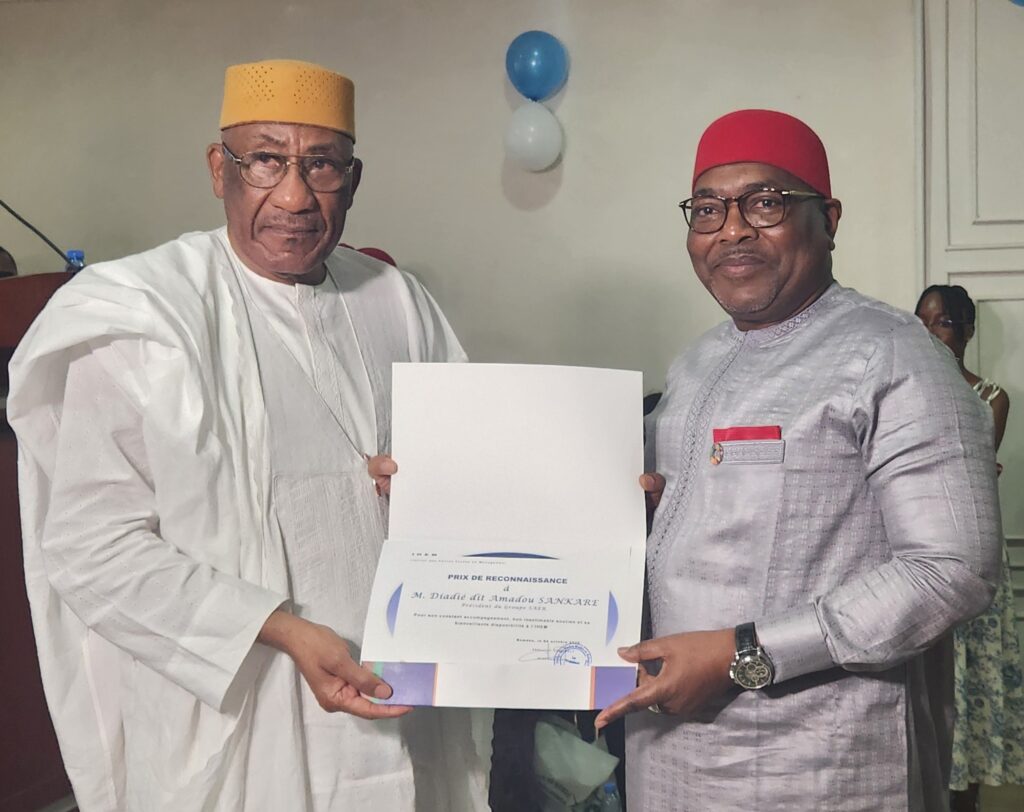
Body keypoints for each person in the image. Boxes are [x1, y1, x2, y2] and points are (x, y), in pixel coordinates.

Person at [7, 59, 489, 811]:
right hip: (242, 718)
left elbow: (475, 472)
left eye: (321, 164)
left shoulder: (399, 302)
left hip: (405, 704)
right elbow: (90, 545)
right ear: (218, 168)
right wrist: (277, 628)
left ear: (353, 179)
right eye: (265, 159)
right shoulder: (145, 313)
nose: (294, 197)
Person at [593, 109, 1003, 811]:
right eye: (707, 209)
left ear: (829, 219)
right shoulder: (695, 363)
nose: (732, 230)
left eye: (766, 203)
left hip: (819, 764)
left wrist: (744, 655)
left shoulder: (893, 354)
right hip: (673, 756)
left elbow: (953, 570)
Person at [915, 284, 1023, 811]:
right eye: (922, 321)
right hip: (918, 552)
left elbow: (968, 471)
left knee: (973, 679)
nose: (930, 332)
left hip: (974, 551)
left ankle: (967, 799)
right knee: (925, 684)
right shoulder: (904, 391)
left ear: (967, 331)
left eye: (941, 322)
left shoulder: (991, 397)